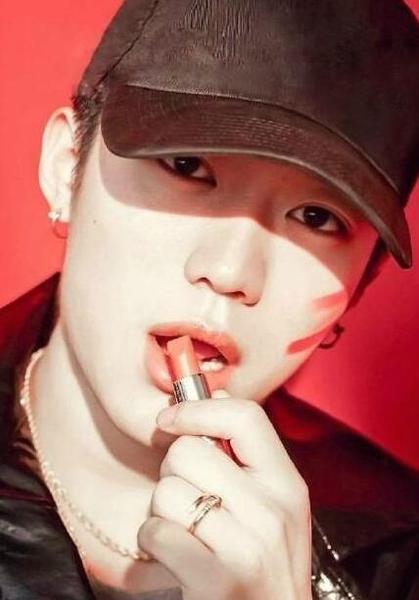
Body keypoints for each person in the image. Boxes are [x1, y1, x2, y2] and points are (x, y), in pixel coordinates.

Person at [1, 0, 418, 598]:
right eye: (187, 165)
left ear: (361, 286)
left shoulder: (402, 556)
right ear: (66, 168)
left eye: (316, 217)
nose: (229, 271)